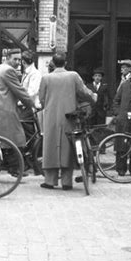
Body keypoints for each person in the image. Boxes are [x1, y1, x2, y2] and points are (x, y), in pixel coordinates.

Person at [39, 53, 96, 190]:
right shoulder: (73, 76)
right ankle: (66, 182)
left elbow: (41, 98)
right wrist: (94, 96)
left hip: (51, 117)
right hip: (68, 117)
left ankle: (50, 181)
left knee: (50, 146)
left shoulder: (46, 78)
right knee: (68, 147)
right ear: (65, 63)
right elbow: (83, 92)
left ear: (52, 63)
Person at [0, 49, 33, 176]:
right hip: (2, 109)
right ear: (7, 58)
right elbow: (19, 91)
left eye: (19, 59)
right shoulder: (8, 70)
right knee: (17, 137)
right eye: (15, 59)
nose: (18, 62)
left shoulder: (0, 68)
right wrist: (31, 104)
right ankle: (15, 168)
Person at [19, 50, 42, 141]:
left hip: (30, 106)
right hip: (26, 105)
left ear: (23, 61)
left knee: (25, 126)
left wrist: (21, 102)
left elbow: (32, 92)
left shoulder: (35, 74)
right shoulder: (27, 72)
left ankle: (32, 150)